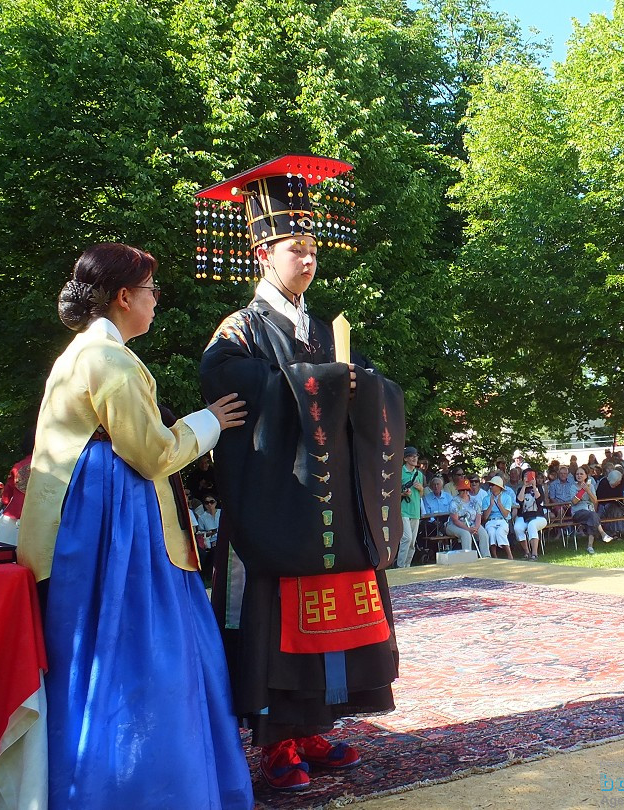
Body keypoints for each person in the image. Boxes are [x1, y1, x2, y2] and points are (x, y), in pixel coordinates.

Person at [17, 243, 252, 808]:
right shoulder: (113, 361)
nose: (155, 301)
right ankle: (152, 788)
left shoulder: (78, 353)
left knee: (89, 655)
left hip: (77, 527)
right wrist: (210, 422)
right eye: (151, 291)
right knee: (144, 652)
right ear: (124, 297)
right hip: (115, 530)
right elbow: (150, 454)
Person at [198, 156, 403, 791]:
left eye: (313, 248)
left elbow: (370, 390)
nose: (308, 259)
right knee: (274, 616)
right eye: (295, 248)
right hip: (277, 503)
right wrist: (323, 386)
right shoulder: (237, 332)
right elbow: (233, 387)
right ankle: (276, 742)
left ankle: (317, 727)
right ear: (263, 252)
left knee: (336, 609)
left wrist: (359, 388)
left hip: (334, 504)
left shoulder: (323, 327)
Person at [0, 430, 34, 547]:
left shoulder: (18, 466)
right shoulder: (53, 467)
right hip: (42, 517)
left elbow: (6, 498)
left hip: (13, 517)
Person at [398, 447, 425, 567]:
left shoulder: (419, 474)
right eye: (412, 456)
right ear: (405, 458)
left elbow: (420, 495)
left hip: (415, 510)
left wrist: (421, 489)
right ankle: (400, 565)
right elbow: (391, 493)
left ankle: (407, 566)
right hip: (403, 510)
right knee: (407, 538)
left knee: (412, 542)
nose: (415, 458)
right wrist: (402, 494)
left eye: (416, 456)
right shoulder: (399, 472)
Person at [447, 480, 488, 556]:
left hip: (472, 524)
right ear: (459, 490)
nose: (465, 491)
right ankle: (467, 557)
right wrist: (468, 529)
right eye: (462, 490)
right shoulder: (454, 502)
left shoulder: (474, 501)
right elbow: (455, 520)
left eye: (467, 489)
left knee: (483, 533)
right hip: (455, 525)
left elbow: (478, 515)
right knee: (466, 534)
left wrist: (476, 527)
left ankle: (486, 556)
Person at [513, 469, 547, 559]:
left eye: (530, 476)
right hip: (523, 516)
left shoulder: (539, 487)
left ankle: (534, 553)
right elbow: (519, 501)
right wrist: (524, 486)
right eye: (525, 476)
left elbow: (539, 500)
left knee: (532, 525)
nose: (528, 478)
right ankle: (527, 552)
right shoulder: (520, 489)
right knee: (517, 528)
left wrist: (534, 486)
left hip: (538, 516)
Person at [481, 475, 514, 558]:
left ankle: (510, 555)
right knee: (491, 533)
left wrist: (499, 504)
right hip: (490, 521)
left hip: (502, 520)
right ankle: (494, 556)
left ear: (499, 487)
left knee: (500, 532)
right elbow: (485, 517)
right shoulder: (486, 499)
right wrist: (491, 505)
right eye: (490, 485)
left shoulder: (507, 497)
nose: (490, 487)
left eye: (493, 485)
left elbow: (506, 514)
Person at [195, 493, 222, 571]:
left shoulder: (222, 513)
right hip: (210, 541)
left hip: (223, 539)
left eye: (212, 502)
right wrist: (209, 533)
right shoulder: (202, 517)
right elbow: (200, 532)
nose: (209, 504)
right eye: (207, 503)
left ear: (216, 502)